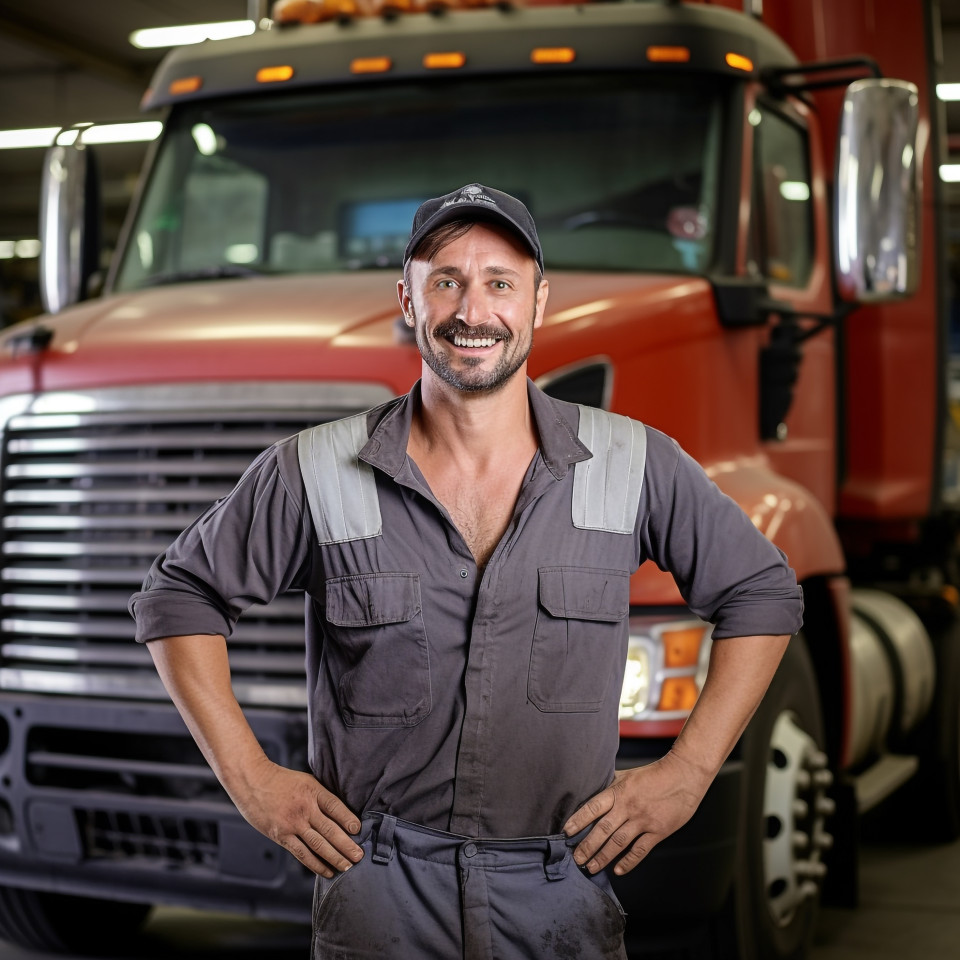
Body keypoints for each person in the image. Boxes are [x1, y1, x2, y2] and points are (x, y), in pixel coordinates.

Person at [130, 183, 803, 960]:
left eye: (499, 282)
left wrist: (688, 772)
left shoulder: (634, 462)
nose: (471, 310)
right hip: (379, 891)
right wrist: (251, 780)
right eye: (445, 279)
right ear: (408, 301)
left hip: (563, 886)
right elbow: (180, 596)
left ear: (539, 303)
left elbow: (763, 593)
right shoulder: (312, 470)